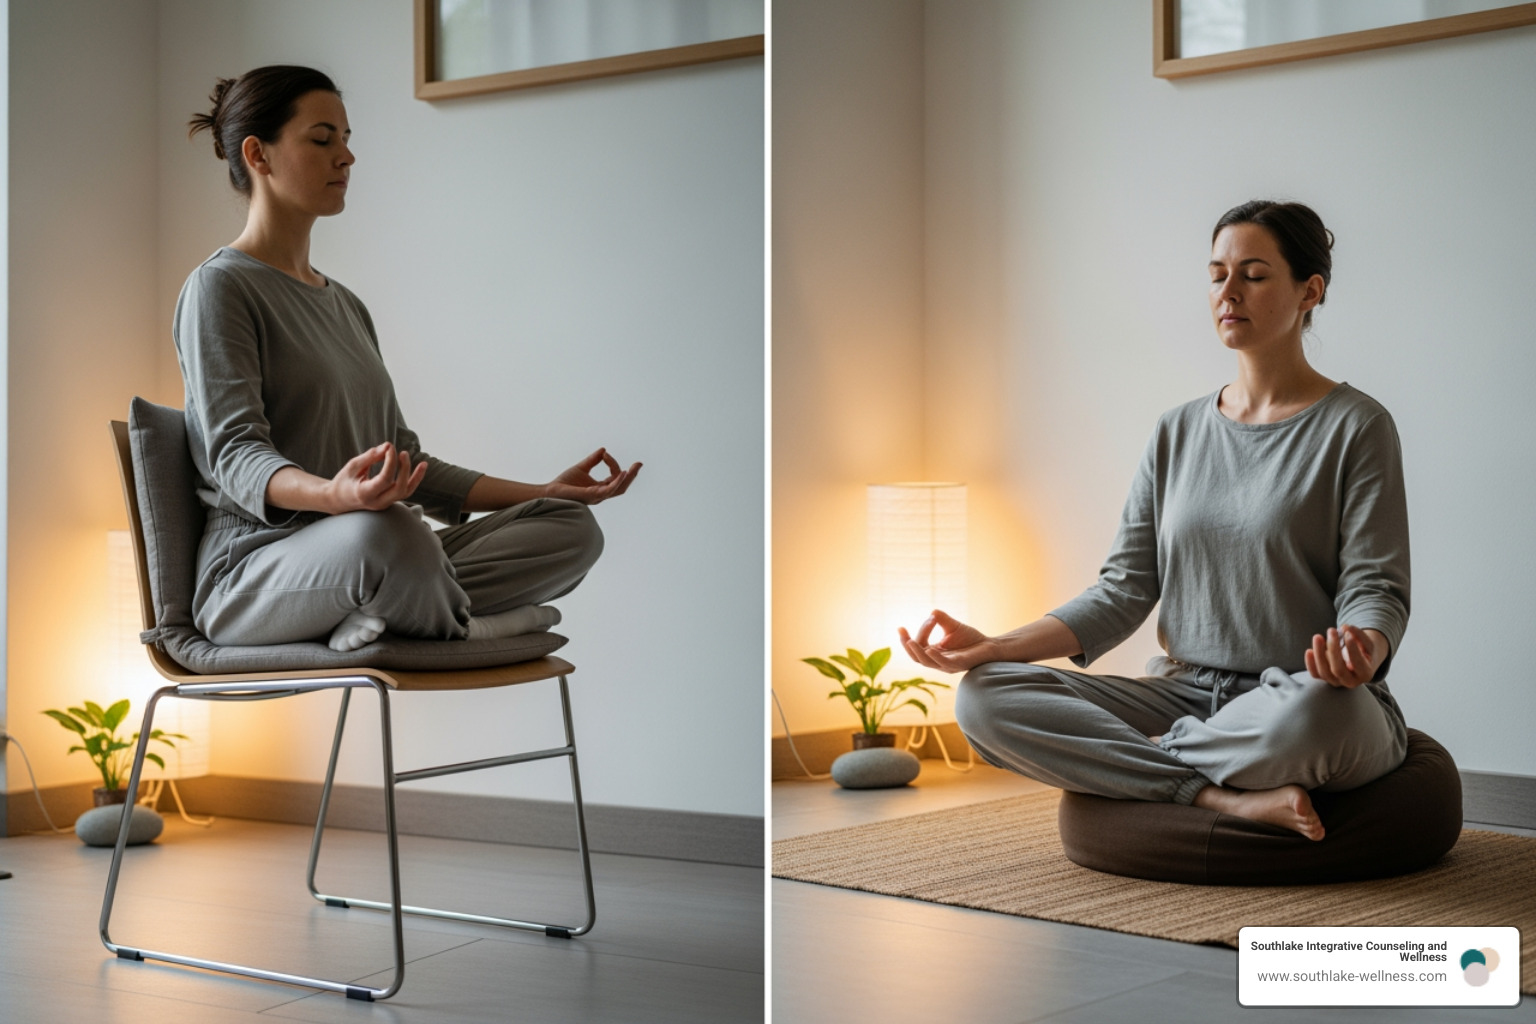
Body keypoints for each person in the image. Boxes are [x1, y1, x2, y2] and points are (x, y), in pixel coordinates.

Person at [900, 200, 1409, 842]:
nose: (1227, 292)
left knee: (1320, 723)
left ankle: (1141, 770)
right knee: (983, 697)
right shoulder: (1177, 431)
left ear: (1310, 291)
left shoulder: (1357, 426)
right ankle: (1219, 799)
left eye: (1252, 275)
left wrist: (1364, 647)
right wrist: (996, 646)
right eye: (1216, 274)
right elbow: (1123, 590)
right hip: (1181, 695)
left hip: (1304, 698)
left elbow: (1375, 585)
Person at [178, 65, 639, 654]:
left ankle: (392, 612)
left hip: (374, 551)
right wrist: (336, 498)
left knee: (570, 529)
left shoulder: (345, 305)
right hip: (256, 575)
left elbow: (407, 461)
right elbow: (236, 456)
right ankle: (474, 625)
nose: (346, 157)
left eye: (347, 140)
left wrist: (542, 490)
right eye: (323, 139)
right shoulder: (219, 288)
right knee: (387, 534)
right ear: (258, 154)